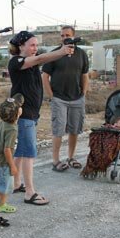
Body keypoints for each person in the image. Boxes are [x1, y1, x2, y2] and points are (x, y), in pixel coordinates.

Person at [8, 31, 73, 205]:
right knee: (29, 152)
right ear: (21, 46)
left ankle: (16, 184)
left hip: (31, 114)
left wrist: (62, 50)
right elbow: (38, 60)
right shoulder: (16, 62)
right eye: (32, 45)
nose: (35, 49)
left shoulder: (30, 63)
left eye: (36, 45)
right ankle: (29, 192)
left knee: (22, 150)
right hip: (24, 115)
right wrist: (61, 51)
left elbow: (38, 60)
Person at [42, 25, 90, 172]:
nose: (64, 38)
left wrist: (84, 93)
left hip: (77, 98)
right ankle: (56, 161)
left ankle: (71, 157)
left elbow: (85, 75)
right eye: (62, 35)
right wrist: (52, 96)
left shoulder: (81, 54)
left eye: (67, 35)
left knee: (74, 130)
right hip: (59, 99)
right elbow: (45, 76)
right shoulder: (54, 54)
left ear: (73, 36)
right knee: (58, 130)